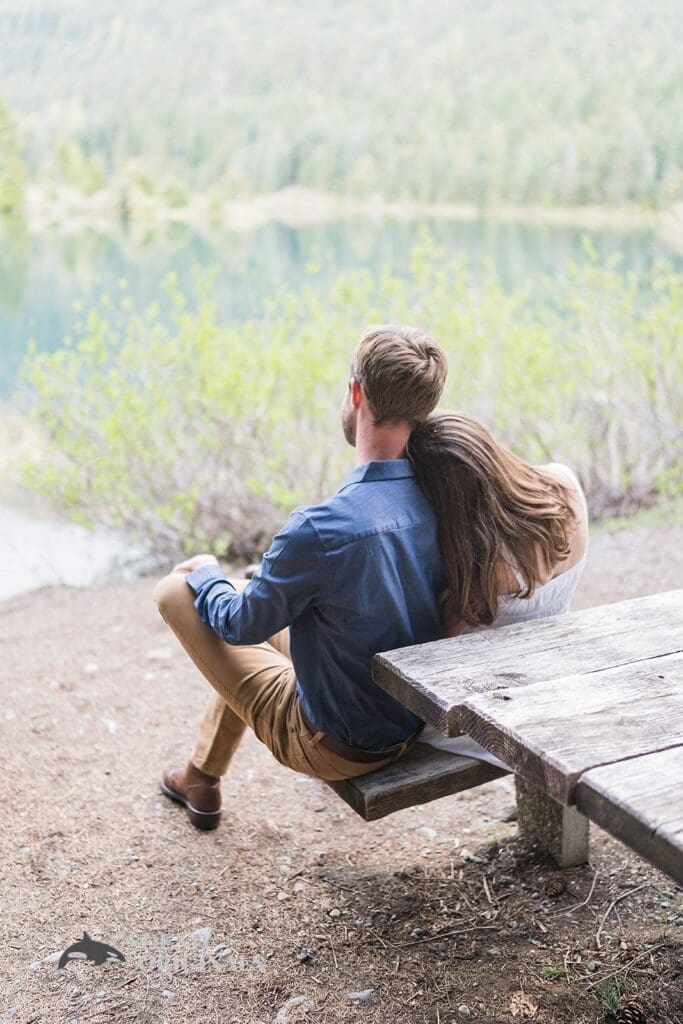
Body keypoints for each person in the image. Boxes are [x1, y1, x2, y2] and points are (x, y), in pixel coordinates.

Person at [153, 324, 449, 830]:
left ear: (356, 394)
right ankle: (200, 777)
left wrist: (205, 573)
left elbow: (239, 626)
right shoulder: (441, 497)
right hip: (408, 719)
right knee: (258, 599)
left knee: (177, 591)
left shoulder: (320, 528)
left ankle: (200, 776)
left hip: (336, 744)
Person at [404, 411, 589, 764]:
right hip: (558, 670)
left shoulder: (481, 574)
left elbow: (431, 653)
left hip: (509, 708)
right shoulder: (565, 486)